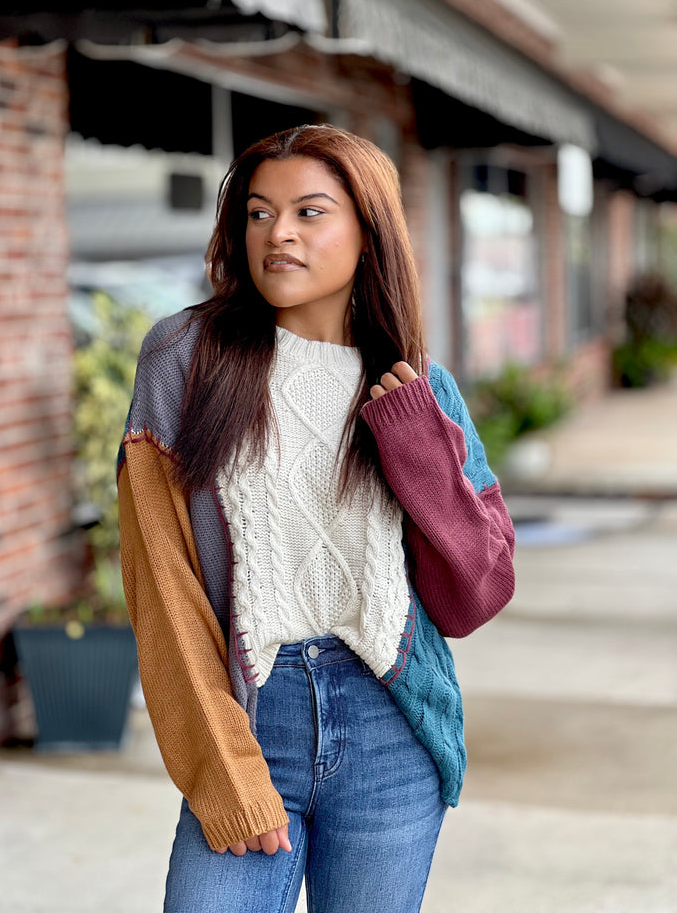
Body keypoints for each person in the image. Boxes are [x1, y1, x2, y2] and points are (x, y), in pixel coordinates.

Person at [117, 124, 515, 913]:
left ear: (369, 232)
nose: (279, 234)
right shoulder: (183, 359)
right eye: (259, 214)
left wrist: (417, 450)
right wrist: (222, 767)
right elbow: (161, 585)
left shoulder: (421, 388)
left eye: (310, 212)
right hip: (253, 718)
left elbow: (478, 595)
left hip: (390, 728)